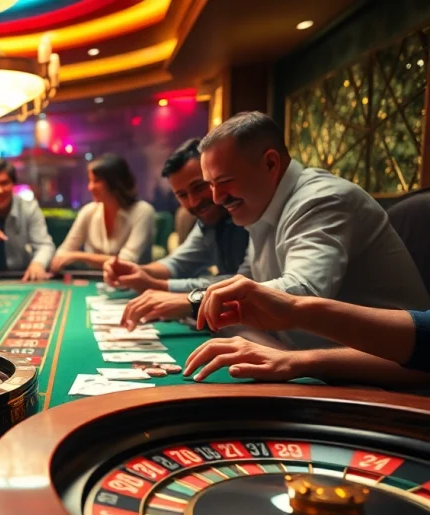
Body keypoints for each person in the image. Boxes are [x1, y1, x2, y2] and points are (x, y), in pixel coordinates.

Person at [123, 112, 430, 346]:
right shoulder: (262, 205)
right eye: (211, 185)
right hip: (317, 358)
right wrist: (191, 298)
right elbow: (248, 280)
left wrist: (194, 301)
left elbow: (303, 292)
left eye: (224, 182)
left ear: (270, 164)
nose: (216, 198)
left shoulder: (322, 199)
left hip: (388, 378)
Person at [183, 275, 430, 388]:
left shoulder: (322, 200)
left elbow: (424, 342)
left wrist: (296, 310)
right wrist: (299, 360)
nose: (217, 197)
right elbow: (421, 356)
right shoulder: (256, 222)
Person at [107, 138, 249, 323]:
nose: (193, 202)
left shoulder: (247, 213)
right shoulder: (208, 222)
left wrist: (160, 286)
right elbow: (177, 264)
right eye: (182, 195)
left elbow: (248, 282)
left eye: (199, 187)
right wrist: (137, 271)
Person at [51, 154, 155, 271]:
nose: (90, 187)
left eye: (96, 181)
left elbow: (126, 261)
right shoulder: (88, 211)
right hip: (93, 278)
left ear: (114, 182)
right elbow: (63, 253)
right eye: (90, 181)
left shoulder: (143, 211)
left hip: (133, 280)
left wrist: (79, 256)